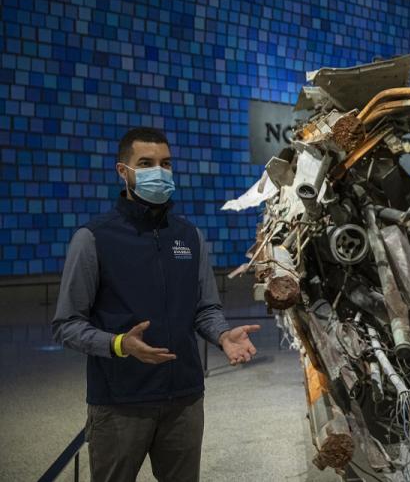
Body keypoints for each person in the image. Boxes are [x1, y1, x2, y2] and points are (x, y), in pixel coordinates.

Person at [52, 127, 261, 482]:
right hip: (120, 403)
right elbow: (66, 324)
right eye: (146, 164)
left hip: (185, 399)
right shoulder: (93, 239)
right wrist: (119, 344)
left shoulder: (189, 236)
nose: (159, 172)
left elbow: (205, 308)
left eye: (165, 164)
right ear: (124, 171)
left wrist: (222, 335)